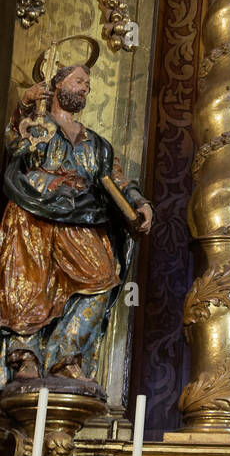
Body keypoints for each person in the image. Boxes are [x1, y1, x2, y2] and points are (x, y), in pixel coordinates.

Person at [0, 65, 152, 383]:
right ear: (57, 85)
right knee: (30, 285)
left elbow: (115, 178)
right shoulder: (38, 124)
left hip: (83, 216)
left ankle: (65, 355)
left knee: (103, 277)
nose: (86, 88)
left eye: (88, 84)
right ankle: (25, 356)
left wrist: (138, 202)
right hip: (32, 213)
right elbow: (14, 143)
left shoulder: (95, 143)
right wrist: (26, 104)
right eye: (79, 81)